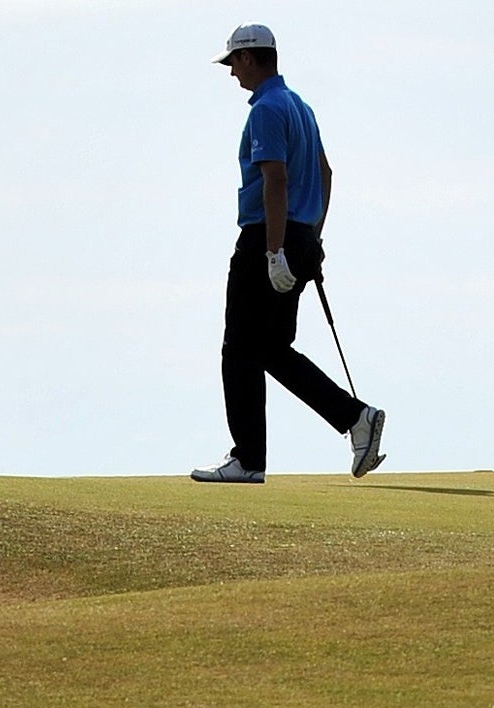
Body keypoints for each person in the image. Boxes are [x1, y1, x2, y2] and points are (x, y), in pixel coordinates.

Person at [192, 24, 385, 484]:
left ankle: (248, 460)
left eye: (234, 62)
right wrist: (309, 238)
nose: (231, 72)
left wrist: (275, 252)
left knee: (239, 348)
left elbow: (275, 181)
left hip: (266, 238)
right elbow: (326, 174)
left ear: (252, 59)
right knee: (272, 349)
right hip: (297, 235)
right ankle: (355, 418)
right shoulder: (300, 106)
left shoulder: (266, 109)